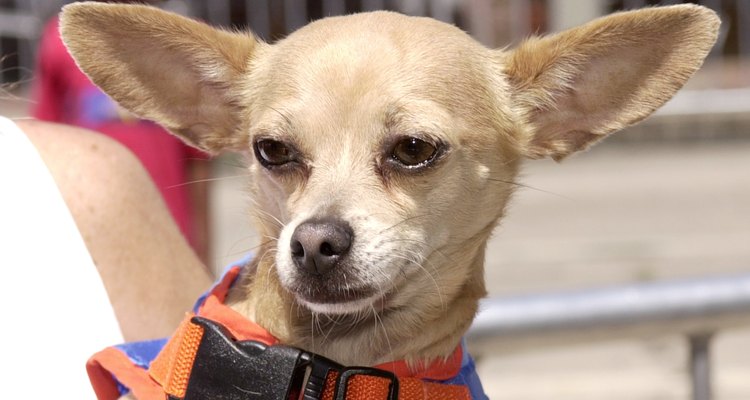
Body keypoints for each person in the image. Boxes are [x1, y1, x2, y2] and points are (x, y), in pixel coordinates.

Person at [0, 116, 212, 398]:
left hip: (132, 232)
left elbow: (199, 160)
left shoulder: (91, 174)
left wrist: (203, 242)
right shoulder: (85, 170)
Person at [31, 14, 211, 262]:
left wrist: (203, 251)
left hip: (170, 233)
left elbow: (199, 159)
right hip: (91, 233)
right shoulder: (64, 35)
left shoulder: (187, 38)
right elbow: (46, 148)